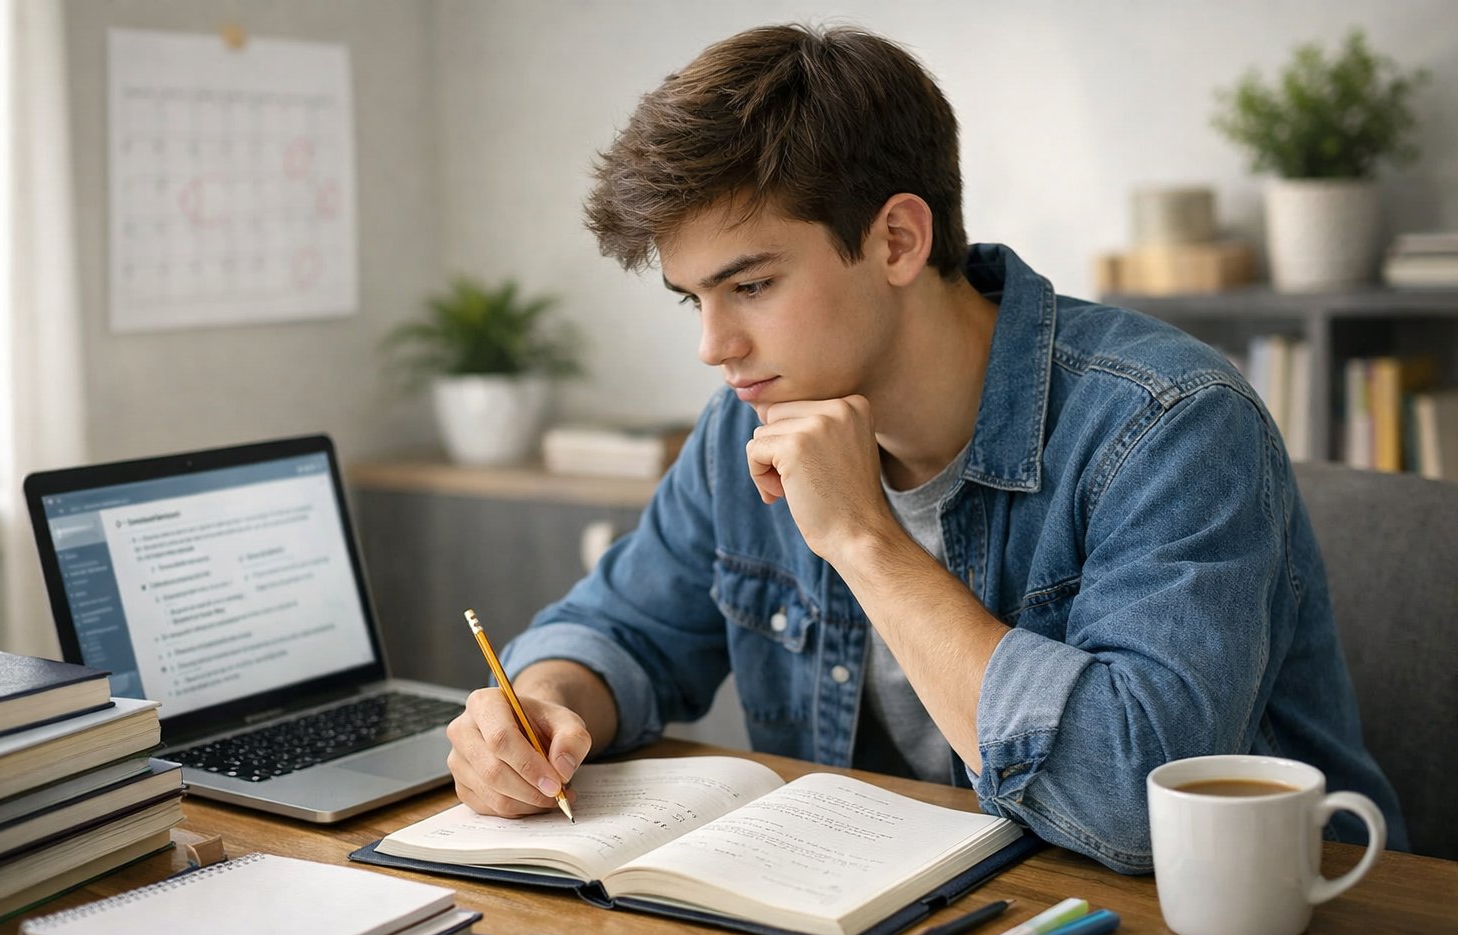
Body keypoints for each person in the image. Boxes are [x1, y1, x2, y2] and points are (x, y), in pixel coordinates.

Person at [444, 23, 1406, 872]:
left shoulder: (1173, 423)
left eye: (751, 286)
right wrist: (538, 708)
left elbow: (1136, 803)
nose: (714, 346)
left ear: (900, 240)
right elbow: (625, 629)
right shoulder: (743, 423)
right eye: (694, 299)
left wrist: (865, 539)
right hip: (903, 927)